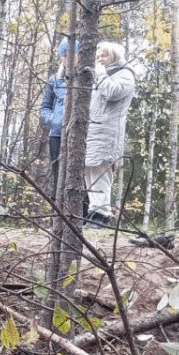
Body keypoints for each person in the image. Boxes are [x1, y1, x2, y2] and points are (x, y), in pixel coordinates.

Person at [83, 41, 136, 227]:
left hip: (107, 133)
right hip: (92, 132)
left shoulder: (125, 74)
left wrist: (99, 73)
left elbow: (113, 92)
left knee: (101, 171)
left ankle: (102, 215)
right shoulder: (101, 75)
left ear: (114, 56)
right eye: (97, 56)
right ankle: (93, 212)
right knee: (90, 172)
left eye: (103, 55)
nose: (99, 59)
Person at [40, 40, 71, 199]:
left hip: (78, 136)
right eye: (65, 56)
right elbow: (45, 106)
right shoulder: (55, 79)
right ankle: (57, 216)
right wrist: (52, 120)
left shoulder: (87, 79)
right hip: (57, 134)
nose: (69, 59)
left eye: (73, 55)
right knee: (57, 174)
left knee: (75, 176)